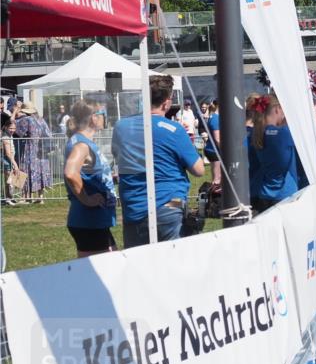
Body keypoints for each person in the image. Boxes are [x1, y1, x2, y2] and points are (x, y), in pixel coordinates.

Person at [112, 74, 205, 247]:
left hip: (133, 206)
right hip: (168, 205)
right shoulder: (174, 130)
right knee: (171, 265)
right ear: (167, 102)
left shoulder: (121, 127)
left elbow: (118, 156)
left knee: (138, 267)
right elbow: (199, 170)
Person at [63, 100, 117, 257]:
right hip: (89, 220)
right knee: (100, 273)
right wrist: (86, 199)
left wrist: (108, 178)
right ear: (94, 118)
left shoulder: (81, 141)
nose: (105, 118)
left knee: (111, 264)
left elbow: (85, 173)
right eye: (103, 114)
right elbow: (70, 173)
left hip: (94, 220)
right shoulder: (82, 145)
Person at [248, 95, 299, 214]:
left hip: (265, 192)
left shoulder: (258, 132)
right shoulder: (282, 134)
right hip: (285, 193)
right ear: (277, 109)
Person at [14, 101, 53, 203]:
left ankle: (25, 197)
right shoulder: (41, 120)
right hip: (41, 150)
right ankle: (40, 197)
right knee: (40, 171)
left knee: (25, 170)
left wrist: (15, 113)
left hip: (30, 148)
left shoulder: (27, 120)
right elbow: (49, 133)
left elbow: (17, 131)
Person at [1, 113, 23, 205]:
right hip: (7, 160)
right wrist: (15, 164)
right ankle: (7, 199)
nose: (12, 130)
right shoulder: (5, 137)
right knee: (9, 181)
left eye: (14, 128)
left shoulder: (9, 135)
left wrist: (15, 111)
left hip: (10, 160)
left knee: (12, 180)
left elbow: (11, 119)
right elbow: (8, 153)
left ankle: (10, 198)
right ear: (6, 127)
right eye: (10, 128)